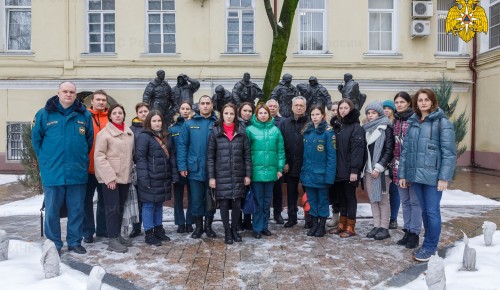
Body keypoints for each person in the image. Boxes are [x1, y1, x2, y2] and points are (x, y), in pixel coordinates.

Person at [32, 81, 94, 255]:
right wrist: (46, 160)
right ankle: (54, 244)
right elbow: (36, 141)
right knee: (52, 211)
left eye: (72, 92)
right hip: (53, 172)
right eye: (65, 91)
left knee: (76, 210)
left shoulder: (84, 115)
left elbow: (88, 141)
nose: (68, 94)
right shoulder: (44, 114)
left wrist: (80, 157)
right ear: (58, 93)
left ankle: (74, 242)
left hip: (77, 172)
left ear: (75, 95)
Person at [399, 89, 456, 262]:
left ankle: (430, 248)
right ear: (416, 103)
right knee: (424, 211)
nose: (423, 102)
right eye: (420, 100)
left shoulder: (442, 123)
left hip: (433, 178)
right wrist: (403, 175)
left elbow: (449, 153)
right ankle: (426, 243)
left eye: (426, 100)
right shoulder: (413, 122)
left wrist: (444, 178)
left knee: (432, 212)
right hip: (416, 176)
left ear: (432, 102)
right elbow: (406, 151)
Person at [207, 103, 252, 244]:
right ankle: (227, 231)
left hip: (238, 174)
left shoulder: (241, 132)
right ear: (222, 115)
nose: (229, 116)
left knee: (237, 204)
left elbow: (247, 155)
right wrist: (212, 177)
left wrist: (247, 175)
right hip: (221, 175)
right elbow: (210, 157)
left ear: (235, 115)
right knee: (224, 204)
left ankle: (234, 230)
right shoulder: (215, 132)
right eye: (226, 113)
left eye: (231, 114)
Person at [94, 103, 134, 253]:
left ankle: (117, 235)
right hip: (110, 178)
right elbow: (99, 157)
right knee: (112, 208)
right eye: (115, 113)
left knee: (120, 208)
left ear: (124, 115)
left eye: (120, 113)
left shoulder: (129, 132)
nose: (118, 115)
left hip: (125, 176)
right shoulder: (104, 134)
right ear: (110, 116)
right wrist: (109, 178)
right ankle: (112, 239)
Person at [177, 95, 218, 239]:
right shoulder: (189, 124)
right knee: (196, 199)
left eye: (208, 103)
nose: (205, 106)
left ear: (212, 105)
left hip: (213, 169)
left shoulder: (217, 123)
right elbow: (182, 145)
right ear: (198, 106)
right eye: (203, 104)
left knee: (210, 199)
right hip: (195, 168)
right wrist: (182, 165)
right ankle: (198, 227)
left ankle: (208, 226)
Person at [136, 110, 178, 246]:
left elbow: (171, 157)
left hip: (163, 176)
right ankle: (149, 233)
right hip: (150, 176)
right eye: (154, 121)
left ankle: (158, 229)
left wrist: (173, 174)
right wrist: (144, 178)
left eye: (159, 120)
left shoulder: (166, 136)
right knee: (148, 205)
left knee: (159, 203)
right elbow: (140, 159)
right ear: (149, 122)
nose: (157, 123)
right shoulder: (144, 137)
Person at [246, 104, 285, 239]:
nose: (263, 115)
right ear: (256, 115)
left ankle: (264, 227)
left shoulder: (275, 131)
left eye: (265, 113)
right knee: (258, 201)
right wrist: (248, 172)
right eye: (260, 113)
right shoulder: (249, 130)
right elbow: (246, 152)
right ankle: (257, 228)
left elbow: (280, 151)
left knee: (267, 201)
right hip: (256, 173)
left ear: (269, 115)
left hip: (271, 172)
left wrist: (279, 168)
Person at [328, 98, 365, 238]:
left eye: (345, 108)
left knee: (350, 198)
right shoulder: (338, 127)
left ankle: (351, 226)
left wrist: (355, 170)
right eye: (340, 108)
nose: (342, 110)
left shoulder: (356, 128)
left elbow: (357, 150)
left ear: (351, 109)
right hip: (338, 170)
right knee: (341, 198)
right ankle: (341, 225)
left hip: (350, 171)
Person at [300, 105, 336, 237]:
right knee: (312, 200)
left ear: (323, 115)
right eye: (313, 115)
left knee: (322, 201)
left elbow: (331, 157)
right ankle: (314, 224)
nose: (315, 117)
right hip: (308, 174)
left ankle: (322, 225)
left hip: (322, 175)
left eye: (317, 114)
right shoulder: (308, 132)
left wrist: (329, 177)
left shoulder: (328, 132)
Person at [391, 91, 421, 249]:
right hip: (397, 167)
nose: (399, 105)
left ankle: (415, 233)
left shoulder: (414, 120)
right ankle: (407, 231)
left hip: (411, 167)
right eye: (397, 102)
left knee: (415, 203)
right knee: (405, 202)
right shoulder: (396, 121)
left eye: (402, 102)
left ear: (409, 103)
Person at [362, 101, 394, 241]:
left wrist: (379, 167)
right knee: (373, 200)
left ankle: (384, 227)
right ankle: (376, 225)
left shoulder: (386, 128)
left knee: (383, 200)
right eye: (368, 113)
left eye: (373, 113)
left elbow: (389, 150)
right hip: (368, 170)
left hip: (381, 171)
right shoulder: (366, 129)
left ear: (379, 113)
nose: (370, 115)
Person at [83, 90, 109, 244]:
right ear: (92, 101)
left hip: (104, 168)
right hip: (87, 168)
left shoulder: (110, 119)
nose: (101, 102)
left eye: (103, 100)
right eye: (98, 99)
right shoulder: (85, 117)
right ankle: (87, 232)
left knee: (104, 201)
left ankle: (103, 229)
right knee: (86, 201)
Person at [279, 96, 308, 228]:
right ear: (292, 107)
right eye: (296, 105)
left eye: (301, 105)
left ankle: (309, 218)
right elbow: (281, 144)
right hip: (290, 164)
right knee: (291, 192)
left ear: (305, 107)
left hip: (306, 164)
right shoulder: (285, 123)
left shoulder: (310, 122)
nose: (298, 107)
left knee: (309, 193)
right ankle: (292, 217)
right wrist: (284, 162)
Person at [168, 102, 195, 234]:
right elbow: (171, 150)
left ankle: (190, 221)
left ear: (191, 110)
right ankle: (180, 222)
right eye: (183, 109)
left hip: (192, 167)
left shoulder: (194, 125)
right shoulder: (173, 129)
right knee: (178, 198)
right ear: (179, 110)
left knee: (192, 197)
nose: (185, 111)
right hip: (178, 168)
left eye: (187, 109)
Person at [128, 102, 150, 238]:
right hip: (136, 168)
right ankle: (136, 227)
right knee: (136, 200)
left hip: (151, 167)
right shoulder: (131, 129)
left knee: (148, 199)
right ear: (137, 114)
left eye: (145, 111)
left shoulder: (153, 126)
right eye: (141, 111)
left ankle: (151, 226)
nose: (143, 114)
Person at [237, 102, 256, 230]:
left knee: (249, 193)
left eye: (250, 111)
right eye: (245, 110)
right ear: (240, 111)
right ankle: (237, 220)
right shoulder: (236, 125)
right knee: (238, 194)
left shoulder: (255, 125)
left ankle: (248, 220)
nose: (247, 113)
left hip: (252, 163)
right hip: (238, 164)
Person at [267, 99, 284, 224]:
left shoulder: (283, 122)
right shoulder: (259, 121)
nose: (272, 108)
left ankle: (277, 213)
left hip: (277, 162)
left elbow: (285, 144)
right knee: (265, 191)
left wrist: (283, 163)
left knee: (277, 190)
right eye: (270, 106)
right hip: (263, 162)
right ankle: (265, 213)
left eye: (274, 106)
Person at [383, 99, 399, 229]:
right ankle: (384, 217)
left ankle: (393, 218)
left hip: (394, 161)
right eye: (384, 108)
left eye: (389, 108)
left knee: (394, 191)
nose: (386, 110)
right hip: (383, 161)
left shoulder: (396, 123)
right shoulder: (379, 123)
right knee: (383, 192)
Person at [327, 101, 341, 228]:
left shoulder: (345, 125)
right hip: (331, 164)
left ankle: (344, 217)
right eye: (333, 110)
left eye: (337, 109)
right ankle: (335, 215)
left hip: (342, 164)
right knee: (333, 192)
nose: (335, 112)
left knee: (342, 193)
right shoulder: (328, 126)